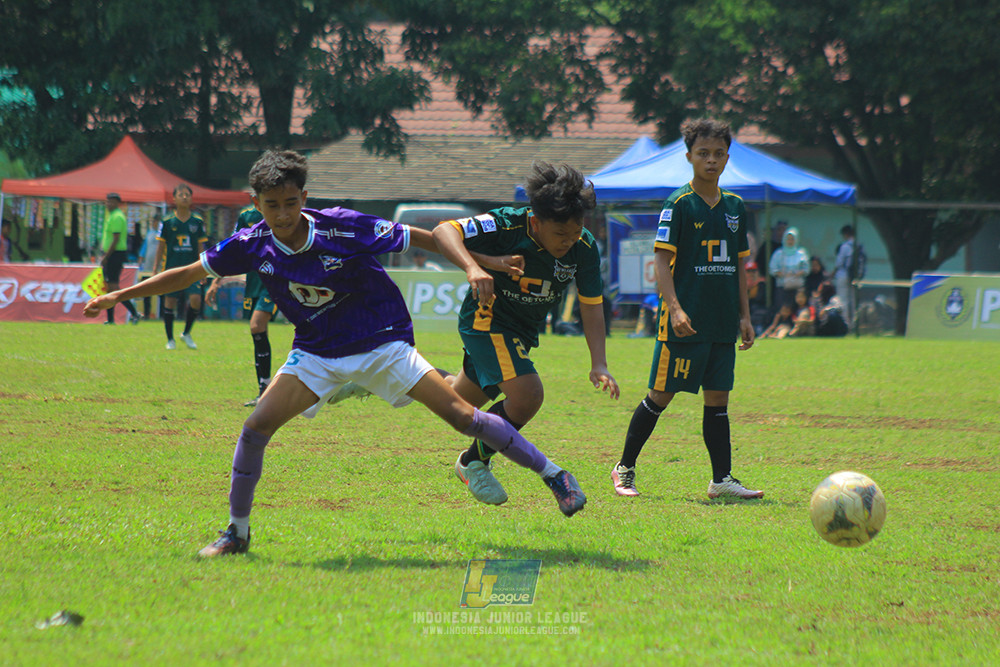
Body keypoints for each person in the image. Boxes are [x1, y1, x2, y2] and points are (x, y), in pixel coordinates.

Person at [83, 150, 587, 558]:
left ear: (304, 197)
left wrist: (486, 263)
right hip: (317, 355)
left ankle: (553, 475)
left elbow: (427, 238)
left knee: (461, 416)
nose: (282, 214)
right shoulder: (250, 243)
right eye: (271, 204)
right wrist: (118, 295)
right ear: (255, 202)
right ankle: (236, 533)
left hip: (382, 343)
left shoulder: (343, 226)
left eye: (290, 202)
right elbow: (189, 274)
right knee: (257, 426)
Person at [432, 161, 619, 507]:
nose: (568, 242)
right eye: (560, 235)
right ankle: (473, 461)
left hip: (521, 332)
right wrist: (476, 267)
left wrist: (600, 363)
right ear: (536, 222)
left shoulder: (584, 247)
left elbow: (591, 305)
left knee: (458, 401)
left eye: (575, 232)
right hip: (486, 322)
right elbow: (444, 231)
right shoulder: (506, 223)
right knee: (528, 394)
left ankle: (392, 374)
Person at [611, 118, 762, 500]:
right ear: (689, 157)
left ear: (727, 158)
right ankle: (624, 468)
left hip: (723, 322)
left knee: (718, 400)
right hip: (685, 323)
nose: (711, 160)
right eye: (703, 154)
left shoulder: (735, 207)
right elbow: (662, 262)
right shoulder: (678, 204)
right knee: (660, 396)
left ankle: (721, 480)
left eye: (717, 154)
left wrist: (745, 316)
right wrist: (675, 309)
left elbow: (740, 267)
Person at [206, 205, 281, 407]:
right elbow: (232, 249)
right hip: (255, 280)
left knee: (257, 325)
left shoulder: (282, 211)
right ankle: (264, 391)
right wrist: (216, 281)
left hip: (276, 278)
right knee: (258, 330)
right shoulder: (247, 216)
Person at [154, 184, 208, 349]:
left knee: (196, 300)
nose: (185, 197)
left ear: (191, 199)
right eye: (181, 194)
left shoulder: (197, 222)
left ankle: (186, 333)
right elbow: (161, 247)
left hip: (192, 269)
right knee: (170, 302)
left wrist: (204, 268)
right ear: (174, 198)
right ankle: (170, 339)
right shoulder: (167, 221)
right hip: (171, 268)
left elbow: (201, 247)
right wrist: (156, 268)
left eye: (187, 195)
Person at [99, 193, 142, 325]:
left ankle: (134, 313)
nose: (108, 204)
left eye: (111, 202)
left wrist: (106, 257)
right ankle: (111, 319)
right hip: (112, 254)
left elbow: (116, 239)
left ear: (117, 203)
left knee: (114, 287)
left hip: (115, 254)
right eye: (107, 201)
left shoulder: (117, 216)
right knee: (110, 289)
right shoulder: (111, 215)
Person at [769, 226, 809, 309]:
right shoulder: (779, 254)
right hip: (782, 286)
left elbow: (806, 269)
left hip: (797, 287)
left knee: (796, 309)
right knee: (782, 309)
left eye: (792, 239)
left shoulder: (801, 253)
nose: (790, 241)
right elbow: (772, 269)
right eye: (788, 239)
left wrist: (796, 274)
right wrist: (783, 274)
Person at [833, 225, 857, 328]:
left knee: (843, 300)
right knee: (854, 300)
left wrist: (832, 274)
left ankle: (845, 325)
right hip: (855, 276)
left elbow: (839, 263)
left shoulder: (845, 246)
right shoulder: (858, 245)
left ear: (845, 234)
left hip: (843, 275)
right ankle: (855, 323)